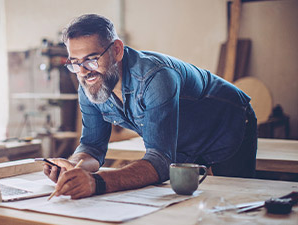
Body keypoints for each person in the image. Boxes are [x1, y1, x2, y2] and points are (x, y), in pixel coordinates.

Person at [43, 14, 257, 199]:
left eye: (91, 59)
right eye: (75, 63)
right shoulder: (89, 85)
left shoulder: (156, 78)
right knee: (188, 208)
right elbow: (92, 147)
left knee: (232, 204)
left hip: (227, 126)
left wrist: (97, 183)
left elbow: (160, 161)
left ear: (117, 50)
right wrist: (72, 167)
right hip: (181, 144)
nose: (83, 72)